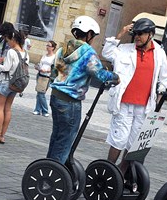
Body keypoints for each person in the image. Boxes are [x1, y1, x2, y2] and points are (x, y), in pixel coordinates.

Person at [101, 18, 167, 174]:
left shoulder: (159, 53)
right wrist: (121, 33)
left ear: (150, 34)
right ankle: (107, 171)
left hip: (144, 106)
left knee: (133, 143)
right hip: (123, 103)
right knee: (119, 139)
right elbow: (107, 53)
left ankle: (121, 175)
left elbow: (166, 77)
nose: (137, 37)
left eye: (141, 34)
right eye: (135, 33)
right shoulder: (124, 49)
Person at [46, 16, 119, 164]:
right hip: (70, 102)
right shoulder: (88, 53)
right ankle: (54, 175)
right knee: (65, 140)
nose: (93, 39)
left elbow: (54, 74)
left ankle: (48, 167)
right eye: (93, 36)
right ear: (89, 33)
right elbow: (100, 74)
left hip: (56, 97)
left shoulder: (62, 49)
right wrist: (115, 77)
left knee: (57, 136)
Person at [0, 28, 29, 144]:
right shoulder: (25, 53)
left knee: (0, 109)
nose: (8, 43)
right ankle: (2, 136)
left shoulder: (11, 52)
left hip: (5, 82)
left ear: (13, 39)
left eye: (8, 40)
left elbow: (6, 68)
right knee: (8, 109)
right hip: (16, 84)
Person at [33, 40, 57, 116]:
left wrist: (47, 70)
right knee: (39, 92)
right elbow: (41, 64)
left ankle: (45, 110)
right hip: (40, 74)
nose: (47, 47)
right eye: (47, 45)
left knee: (41, 93)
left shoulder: (54, 57)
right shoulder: (44, 55)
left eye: (49, 46)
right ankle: (37, 109)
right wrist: (38, 67)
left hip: (47, 76)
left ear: (53, 48)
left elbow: (55, 68)